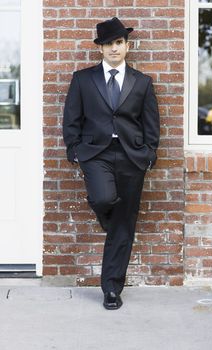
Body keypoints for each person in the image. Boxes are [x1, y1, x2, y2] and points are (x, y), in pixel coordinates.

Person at [63, 17, 160, 310]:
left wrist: (149, 154)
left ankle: (112, 288)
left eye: (119, 43)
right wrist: (75, 150)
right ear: (100, 49)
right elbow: (71, 119)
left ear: (127, 46)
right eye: (108, 44)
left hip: (132, 157)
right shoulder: (83, 79)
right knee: (104, 198)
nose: (114, 48)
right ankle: (109, 216)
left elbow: (151, 123)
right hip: (95, 154)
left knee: (125, 224)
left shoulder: (142, 82)